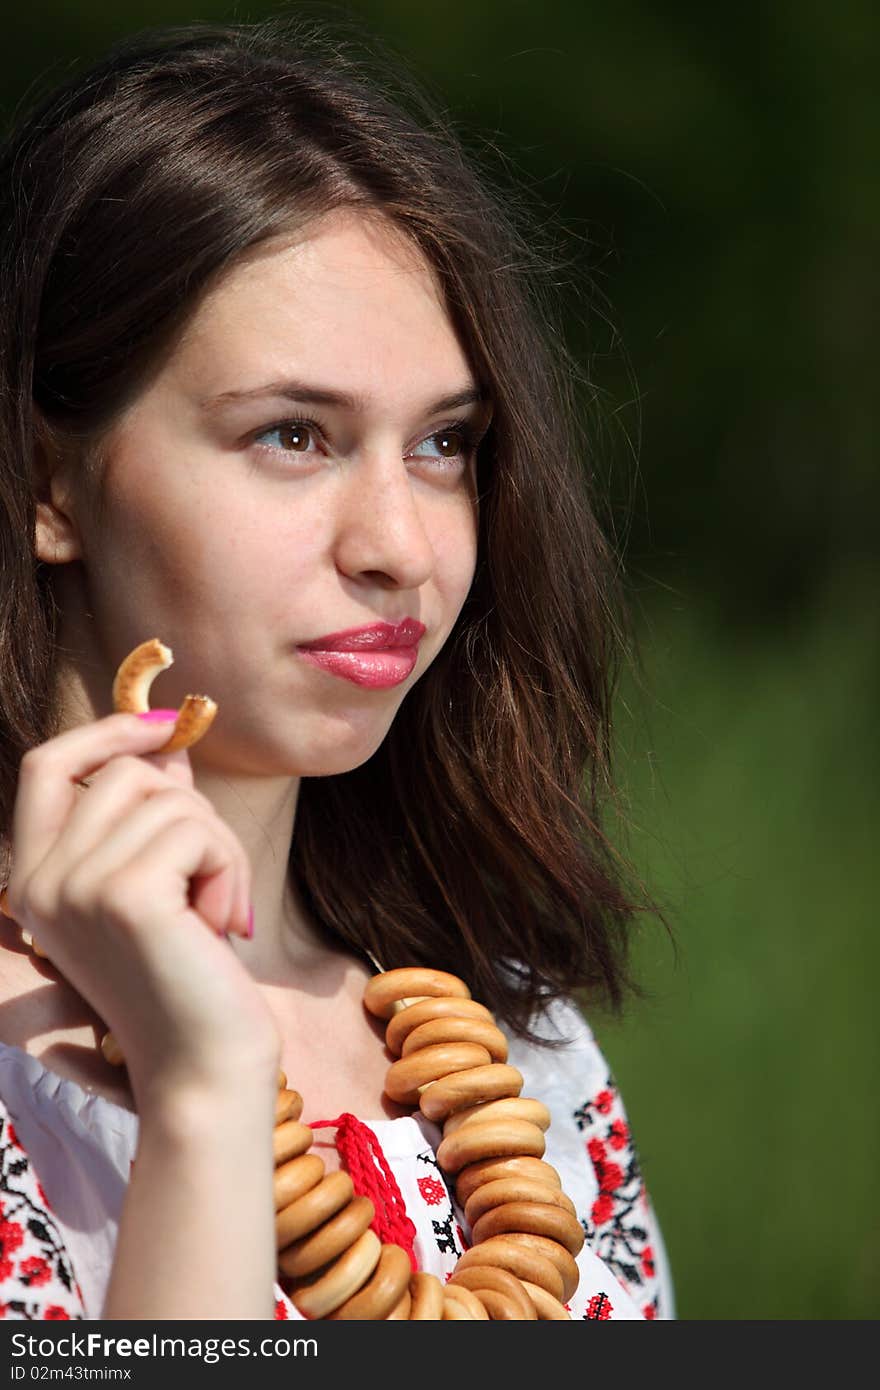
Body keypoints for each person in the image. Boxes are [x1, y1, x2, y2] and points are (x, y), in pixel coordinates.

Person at [0, 16, 674, 1321]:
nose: (401, 547)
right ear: (46, 481)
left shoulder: (519, 1056)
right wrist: (200, 1093)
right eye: (294, 434)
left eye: (443, 446)